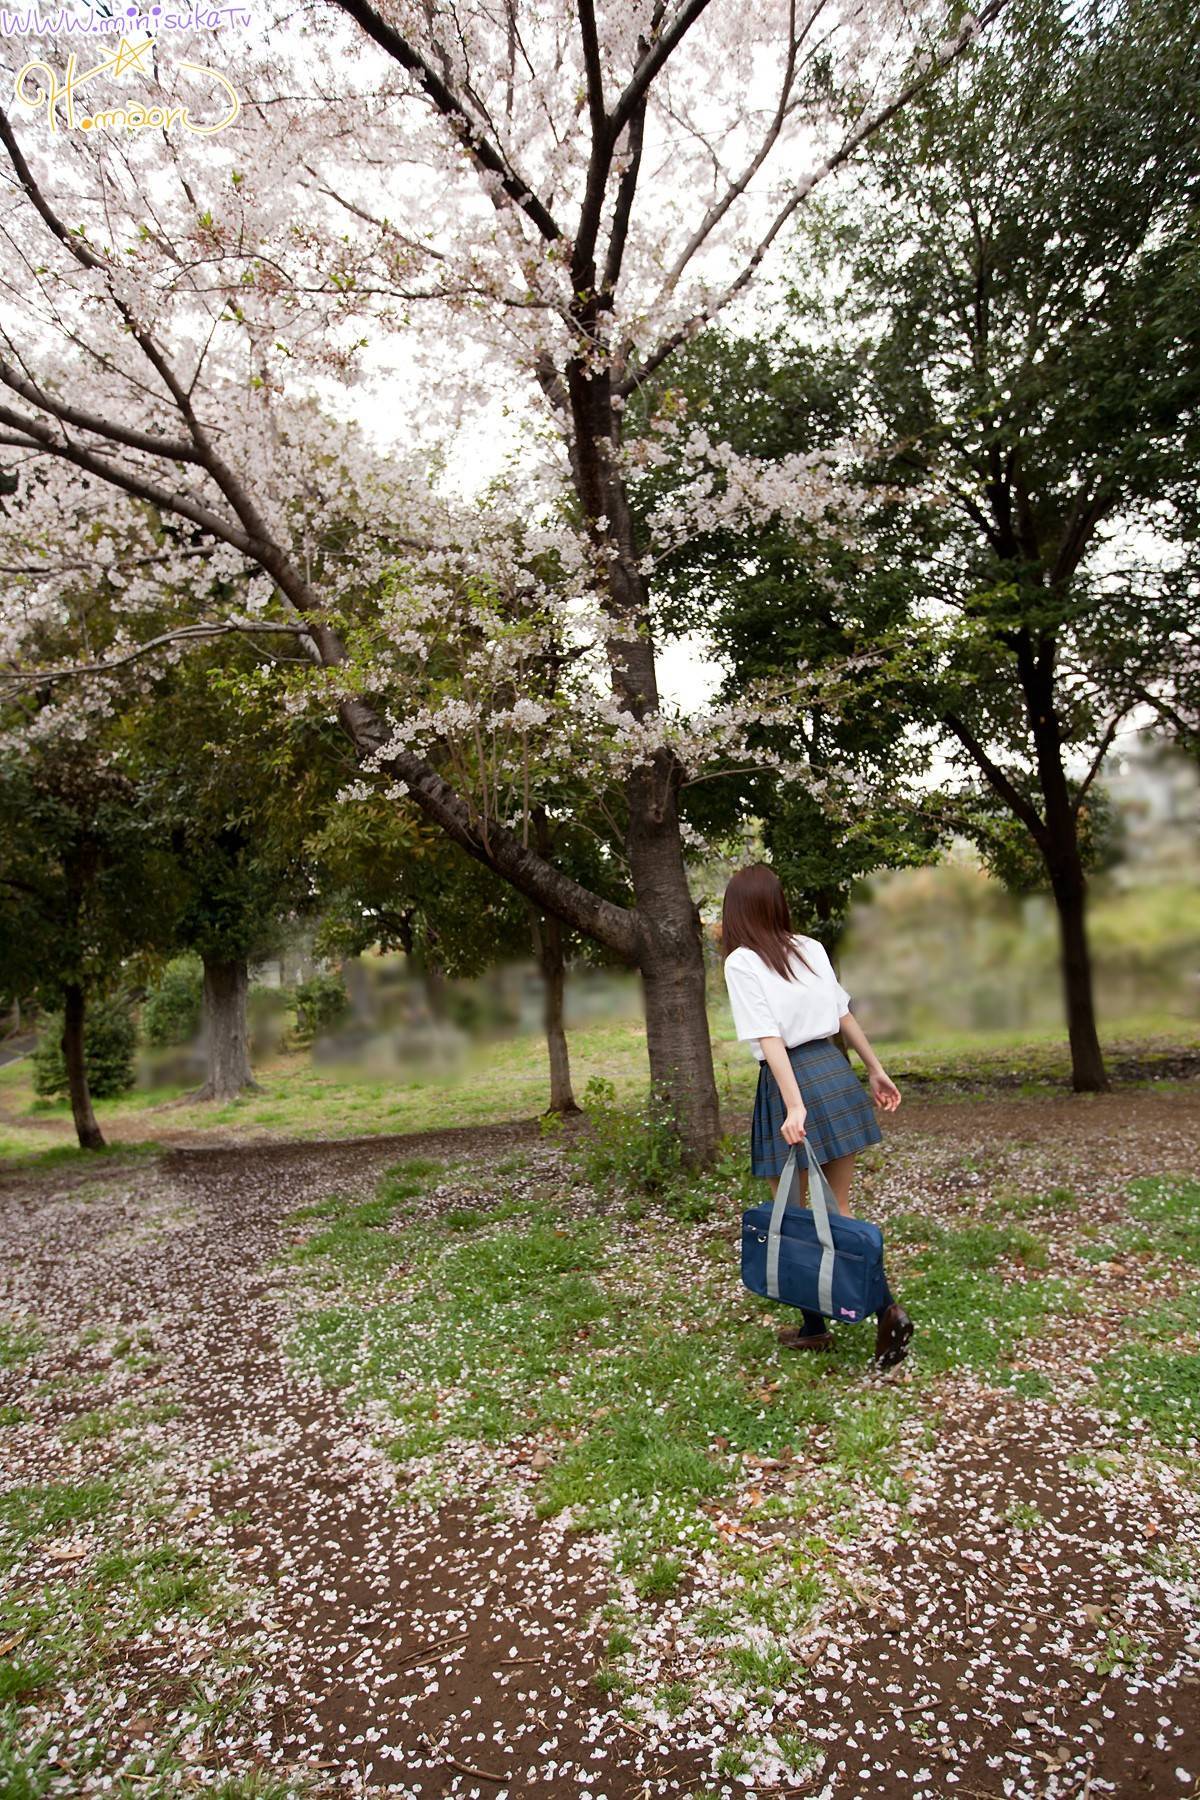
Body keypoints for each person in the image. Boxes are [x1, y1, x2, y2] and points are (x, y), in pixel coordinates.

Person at [721, 863, 913, 1368]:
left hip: (795, 1082)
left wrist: (794, 1103)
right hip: (834, 1069)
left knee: (793, 1215)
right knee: (840, 1210)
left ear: (737, 911)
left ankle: (844, 1318)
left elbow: (769, 1038)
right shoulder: (810, 946)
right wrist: (875, 1068)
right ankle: (859, 1316)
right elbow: (843, 1014)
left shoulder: (742, 961)